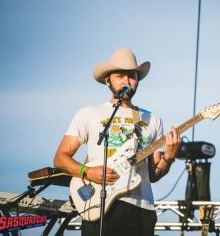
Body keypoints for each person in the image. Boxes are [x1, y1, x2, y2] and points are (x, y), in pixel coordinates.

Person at [53, 48, 181, 236]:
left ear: (137, 80)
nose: (126, 81)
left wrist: (168, 158)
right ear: (108, 80)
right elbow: (60, 158)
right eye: (120, 76)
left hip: (142, 210)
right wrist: (87, 172)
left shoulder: (151, 119)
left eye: (131, 76)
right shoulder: (89, 113)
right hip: (101, 206)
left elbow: (153, 175)